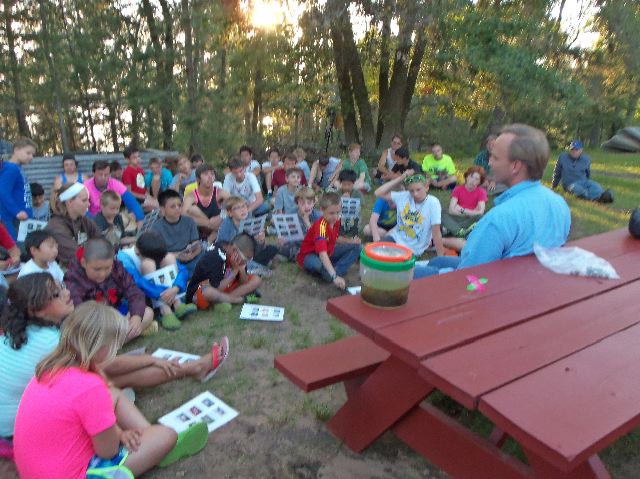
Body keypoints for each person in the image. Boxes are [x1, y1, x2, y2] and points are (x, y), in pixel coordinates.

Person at [0, 274, 229, 442]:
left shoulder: (19, 332)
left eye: (61, 286)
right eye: (56, 294)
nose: (66, 293)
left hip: (22, 421)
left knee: (112, 377)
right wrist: (150, 359)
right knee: (110, 385)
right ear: (36, 310)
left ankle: (194, 368)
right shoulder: (49, 341)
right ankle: (191, 371)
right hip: (24, 431)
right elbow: (106, 365)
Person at [12, 300, 210, 479]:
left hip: (36, 469)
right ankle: (158, 448)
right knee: (166, 435)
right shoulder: (89, 386)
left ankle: (152, 444)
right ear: (101, 348)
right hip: (75, 474)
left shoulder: (49, 369)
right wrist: (119, 436)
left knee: (113, 394)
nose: (117, 351)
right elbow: (108, 451)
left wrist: (118, 432)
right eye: (115, 345)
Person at [425, 123, 571, 275]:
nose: (489, 162)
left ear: (515, 166)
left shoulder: (498, 219)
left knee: (419, 273)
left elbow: (469, 276)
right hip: (532, 277)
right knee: (438, 261)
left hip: (495, 282)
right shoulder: (560, 204)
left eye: (495, 157)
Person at [65, 237, 157, 340]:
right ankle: (121, 339)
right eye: (97, 269)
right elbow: (79, 313)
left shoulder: (117, 268)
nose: (102, 274)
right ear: (83, 263)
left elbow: (133, 291)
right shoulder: (73, 278)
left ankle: (118, 339)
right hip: (94, 322)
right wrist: (109, 323)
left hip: (116, 314)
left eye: (107, 268)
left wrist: (136, 317)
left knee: (147, 313)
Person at [118, 231, 197, 330]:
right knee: (148, 264)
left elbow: (182, 270)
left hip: (168, 290)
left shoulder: (154, 249)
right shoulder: (124, 258)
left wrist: (176, 288)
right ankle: (164, 310)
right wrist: (165, 292)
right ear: (138, 253)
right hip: (143, 295)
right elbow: (138, 283)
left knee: (169, 258)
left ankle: (178, 304)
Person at [297, 192, 361, 289]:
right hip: (310, 255)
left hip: (328, 252)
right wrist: (334, 276)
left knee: (358, 247)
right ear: (322, 210)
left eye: (338, 212)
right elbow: (322, 253)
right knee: (316, 263)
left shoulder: (335, 221)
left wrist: (351, 241)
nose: (335, 216)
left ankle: (332, 271)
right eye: (331, 213)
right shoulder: (321, 226)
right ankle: (332, 274)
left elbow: (335, 237)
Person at [375, 170, 444, 257]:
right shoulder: (403, 196)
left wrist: (441, 257)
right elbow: (378, 193)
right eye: (411, 191)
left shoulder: (433, 203)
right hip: (396, 238)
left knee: (388, 260)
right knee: (374, 253)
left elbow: (436, 232)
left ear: (426, 187)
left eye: (418, 190)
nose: (415, 194)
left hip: (413, 249)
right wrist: (401, 178)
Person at [187, 233, 262, 309]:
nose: (245, 262)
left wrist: (241, 270)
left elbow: (243, 283)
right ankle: (239, 300)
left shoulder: (236, 258)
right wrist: (234, 272)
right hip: (203, 291)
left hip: (224, 288)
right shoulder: (215, 256)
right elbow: (217, 288)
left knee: (256, 280)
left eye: (248, 260)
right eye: (245, 259)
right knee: (209, 292)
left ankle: (223, 300)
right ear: (234, 250)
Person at [45, 182, 102, 267]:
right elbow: (75, 256)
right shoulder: (56, 227)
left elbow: (102, 241)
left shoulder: (84, 220)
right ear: (70, 202)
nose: (88, 204)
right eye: (84, 200)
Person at [152, 189, 203, 277]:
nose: (177, 208)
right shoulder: (156, 227)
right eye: (173, 206)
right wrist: (178, 255)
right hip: (173, 259)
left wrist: (192, 255)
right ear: (162, 209)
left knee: (206, 257)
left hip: (190, 256)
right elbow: (159, 253)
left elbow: (196, 244)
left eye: (179, 205)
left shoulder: (189, 221)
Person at [216, 196, 278, 267]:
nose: (242, 210)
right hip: (234, 256)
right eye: (237, 208)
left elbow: (257, 247)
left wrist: (261, 240)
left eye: (244, 206)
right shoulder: (227, 225)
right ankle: (256, 265)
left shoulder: (250, 221)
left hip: (250, 253)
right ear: (230, 213)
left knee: (272, 248)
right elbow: (222, 245)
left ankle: (258, 263)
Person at [440, 166, 488, 252]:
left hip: (470, 220)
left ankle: (452, 230)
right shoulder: (458, 189)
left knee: (482, 217)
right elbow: (451, 209)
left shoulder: (481, 192)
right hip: (457, 217)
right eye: (471, 177)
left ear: (479, 182)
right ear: (466, 177)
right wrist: (472, 211)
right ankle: (460, 232)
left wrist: (462, 209)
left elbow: (480, 212)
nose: (473, 181)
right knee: (442, 212)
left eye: (477, 179)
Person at [183, 163, 230, 243]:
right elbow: (183, 216)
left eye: (212, 174)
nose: (210, 176)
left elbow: (236, 205)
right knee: (192, 209)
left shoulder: (220, 193)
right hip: (199, 234)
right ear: (198, 179)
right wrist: (207, 223)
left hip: (219, 233)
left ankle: (209, 241)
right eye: (205, 174)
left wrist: (221, 216)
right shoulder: (191, 196)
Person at [0, 137, 36, 239]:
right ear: (16, 150)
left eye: (32, 154)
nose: (31, 157)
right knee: (18, 247)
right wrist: (17, 211)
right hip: (13, 221)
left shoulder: (18, 168)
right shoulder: (11, 169)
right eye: (28, 153)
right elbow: (3, 192)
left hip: (21, 221)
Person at [277, 187, 321, 261]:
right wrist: (283, 239)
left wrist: (307, 222)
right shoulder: (291, 214)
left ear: (314, 203)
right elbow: (285, 233)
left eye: (309, 203)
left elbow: (319, 239)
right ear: (297, 203)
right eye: (302, 204)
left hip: (312, 245)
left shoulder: (318, 216)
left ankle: (295, 255)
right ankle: (295, 254)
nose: (306, 206)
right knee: (281, 247)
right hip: (296, 244)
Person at [337, 169, 362, 239]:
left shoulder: (357, 193)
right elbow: (335, 206)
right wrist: (342, 199)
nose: (346, 187)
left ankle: (353, 234)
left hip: (353, 215)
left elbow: (359, 207)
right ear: (340, 183)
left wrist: (350, 200)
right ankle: (340, 234)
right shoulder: (338, 193)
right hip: (340, 214)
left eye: (349, 185)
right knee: (338, 220)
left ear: (353, 184)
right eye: (344, 184)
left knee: (355, 220)